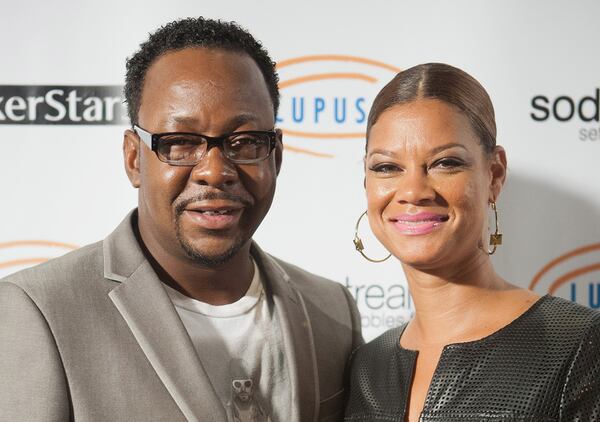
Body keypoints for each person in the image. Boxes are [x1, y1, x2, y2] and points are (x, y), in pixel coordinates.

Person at [0, 17, 362, 422]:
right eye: (180, 142)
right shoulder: (39, 311)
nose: (215, 170)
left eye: (243, 142)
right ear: (134, 158)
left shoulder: (332, 310)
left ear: (275, 156)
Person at [344, 63, 600, 421]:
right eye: (387, 167)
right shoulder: (368, 366)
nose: (413, 191)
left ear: (494, 175)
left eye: (445, 163)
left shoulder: (579, 344)